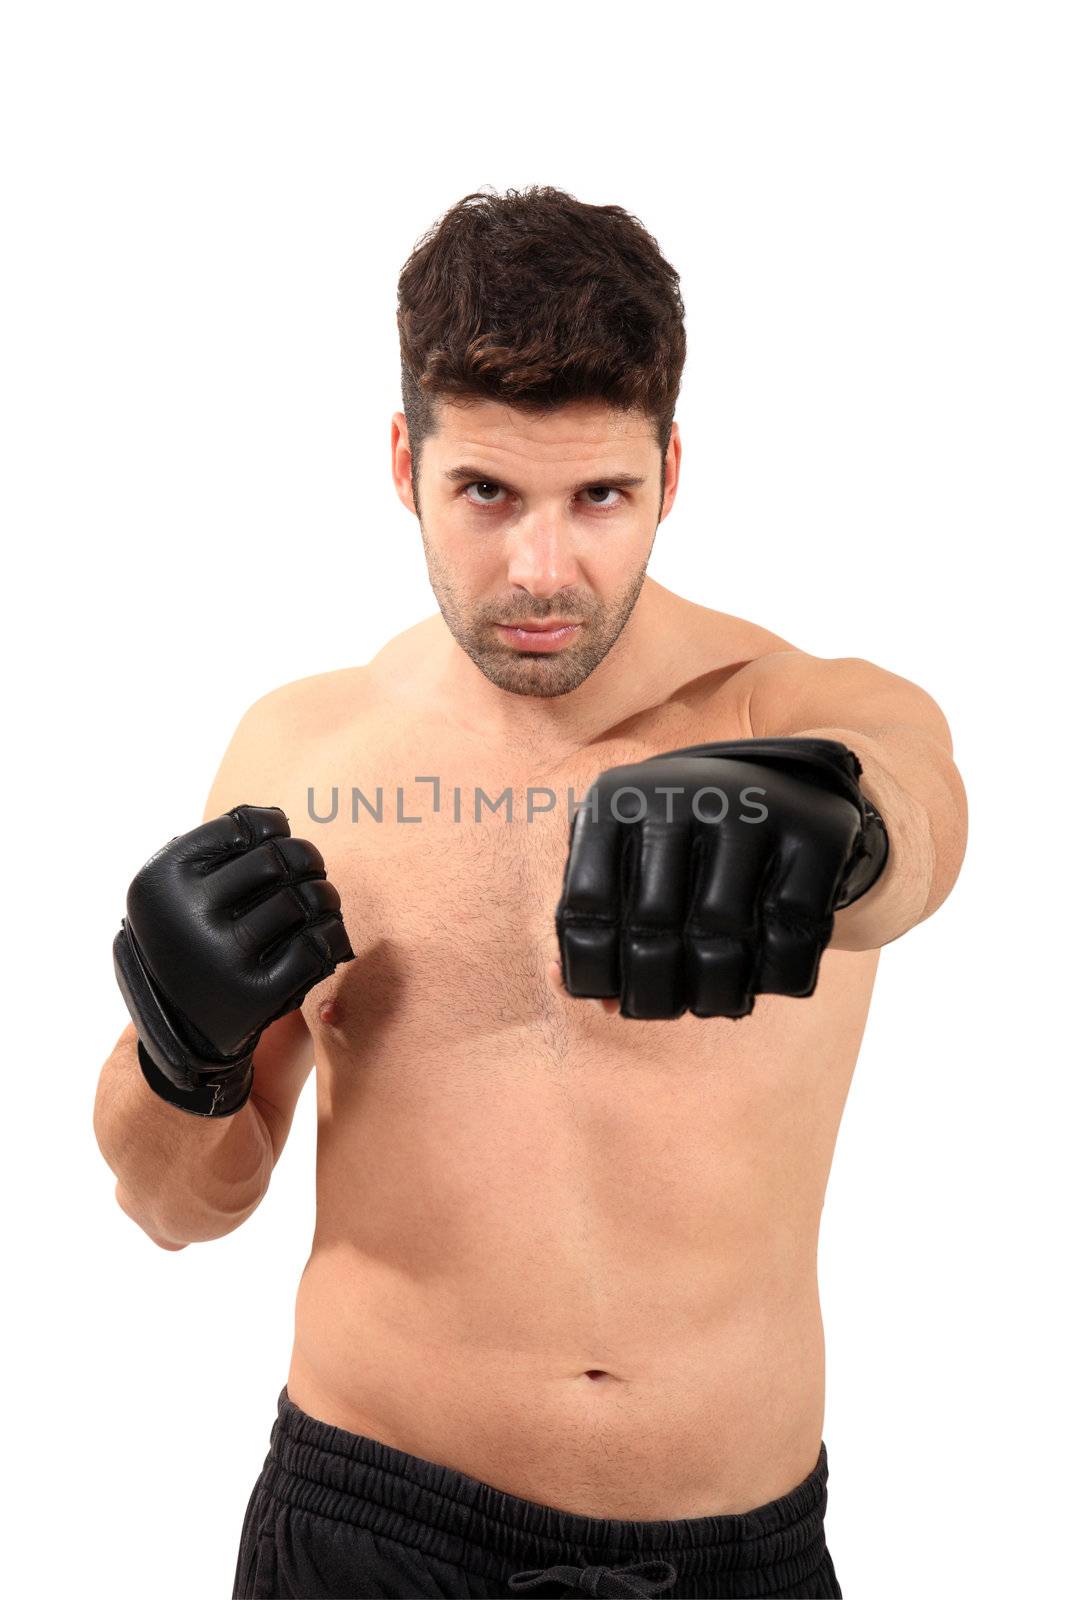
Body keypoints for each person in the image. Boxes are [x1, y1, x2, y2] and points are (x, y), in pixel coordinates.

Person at [93, 186, 967, 1600]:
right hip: (367, 1532)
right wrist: (178, 1059)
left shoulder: (802, 713)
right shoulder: (308, 755)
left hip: (732, 1553)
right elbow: (176, 1206)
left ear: (672, 471)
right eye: (487, 494)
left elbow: (921, 830)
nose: (541, 571)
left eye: (600, 497)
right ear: (403, 462)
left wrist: (842, 838)